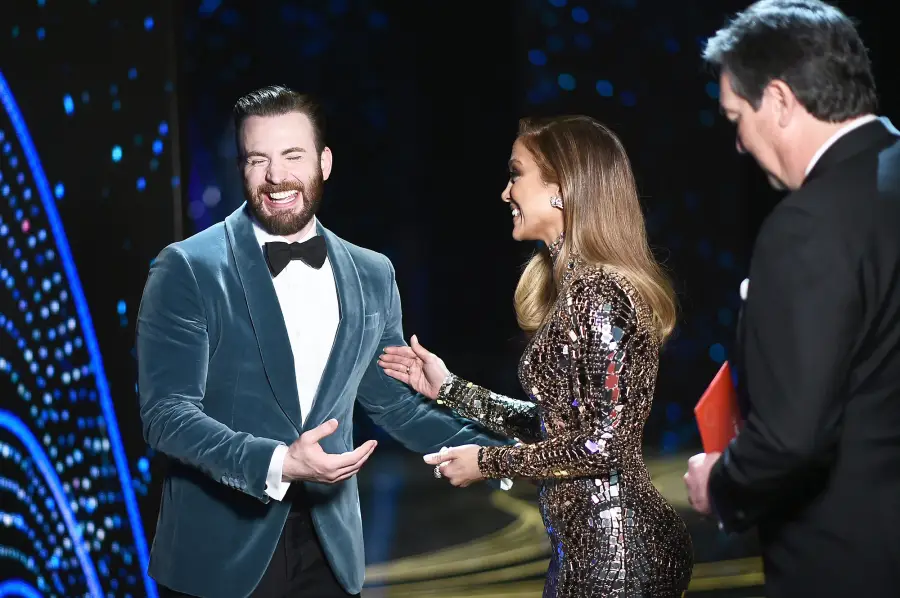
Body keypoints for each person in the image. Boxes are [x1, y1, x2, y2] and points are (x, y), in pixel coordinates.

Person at [136, 85, 509, 598]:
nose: (276, 177)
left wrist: (505, 457)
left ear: (324, 161)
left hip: (331, 552)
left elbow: (394, 405)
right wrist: (277, 462)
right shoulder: (186, 267)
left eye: (292, 156)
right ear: (241, 167)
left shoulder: (372, 273)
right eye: (257, 159)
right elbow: (166, 415)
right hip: (220, 555)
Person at [378, 115, 694, 597]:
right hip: (588, 553)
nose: (506, 193)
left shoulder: (601, 291)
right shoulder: (576, 287)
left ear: (561, 188)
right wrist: (448, 389)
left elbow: (603, 445)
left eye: (515, 174)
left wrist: (488, 462)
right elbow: (563, 426)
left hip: (619, 559)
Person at [682, 1, 900, 596]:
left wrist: (720, 483)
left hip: (846, 560)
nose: (738, 144)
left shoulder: (807, 223)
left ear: (778, 100)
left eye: (736, 117)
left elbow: (793, 438)